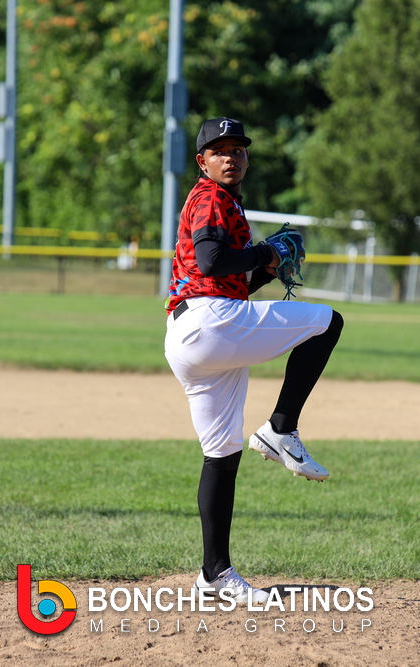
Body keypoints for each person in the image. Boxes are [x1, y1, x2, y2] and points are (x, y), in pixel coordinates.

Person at [164, 117, 344, 605]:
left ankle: (214, 575)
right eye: (220, 150)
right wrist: (265, 250)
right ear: (202, 162)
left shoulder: (224, 202)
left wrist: (267, 266)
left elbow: (232, 279)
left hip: (190, 335)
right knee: (327, 322)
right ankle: (281, 429)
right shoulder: (211, 197)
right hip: (211, 323)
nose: (231, 157)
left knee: (221, 455)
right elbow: (211, 261)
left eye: (239, 149)